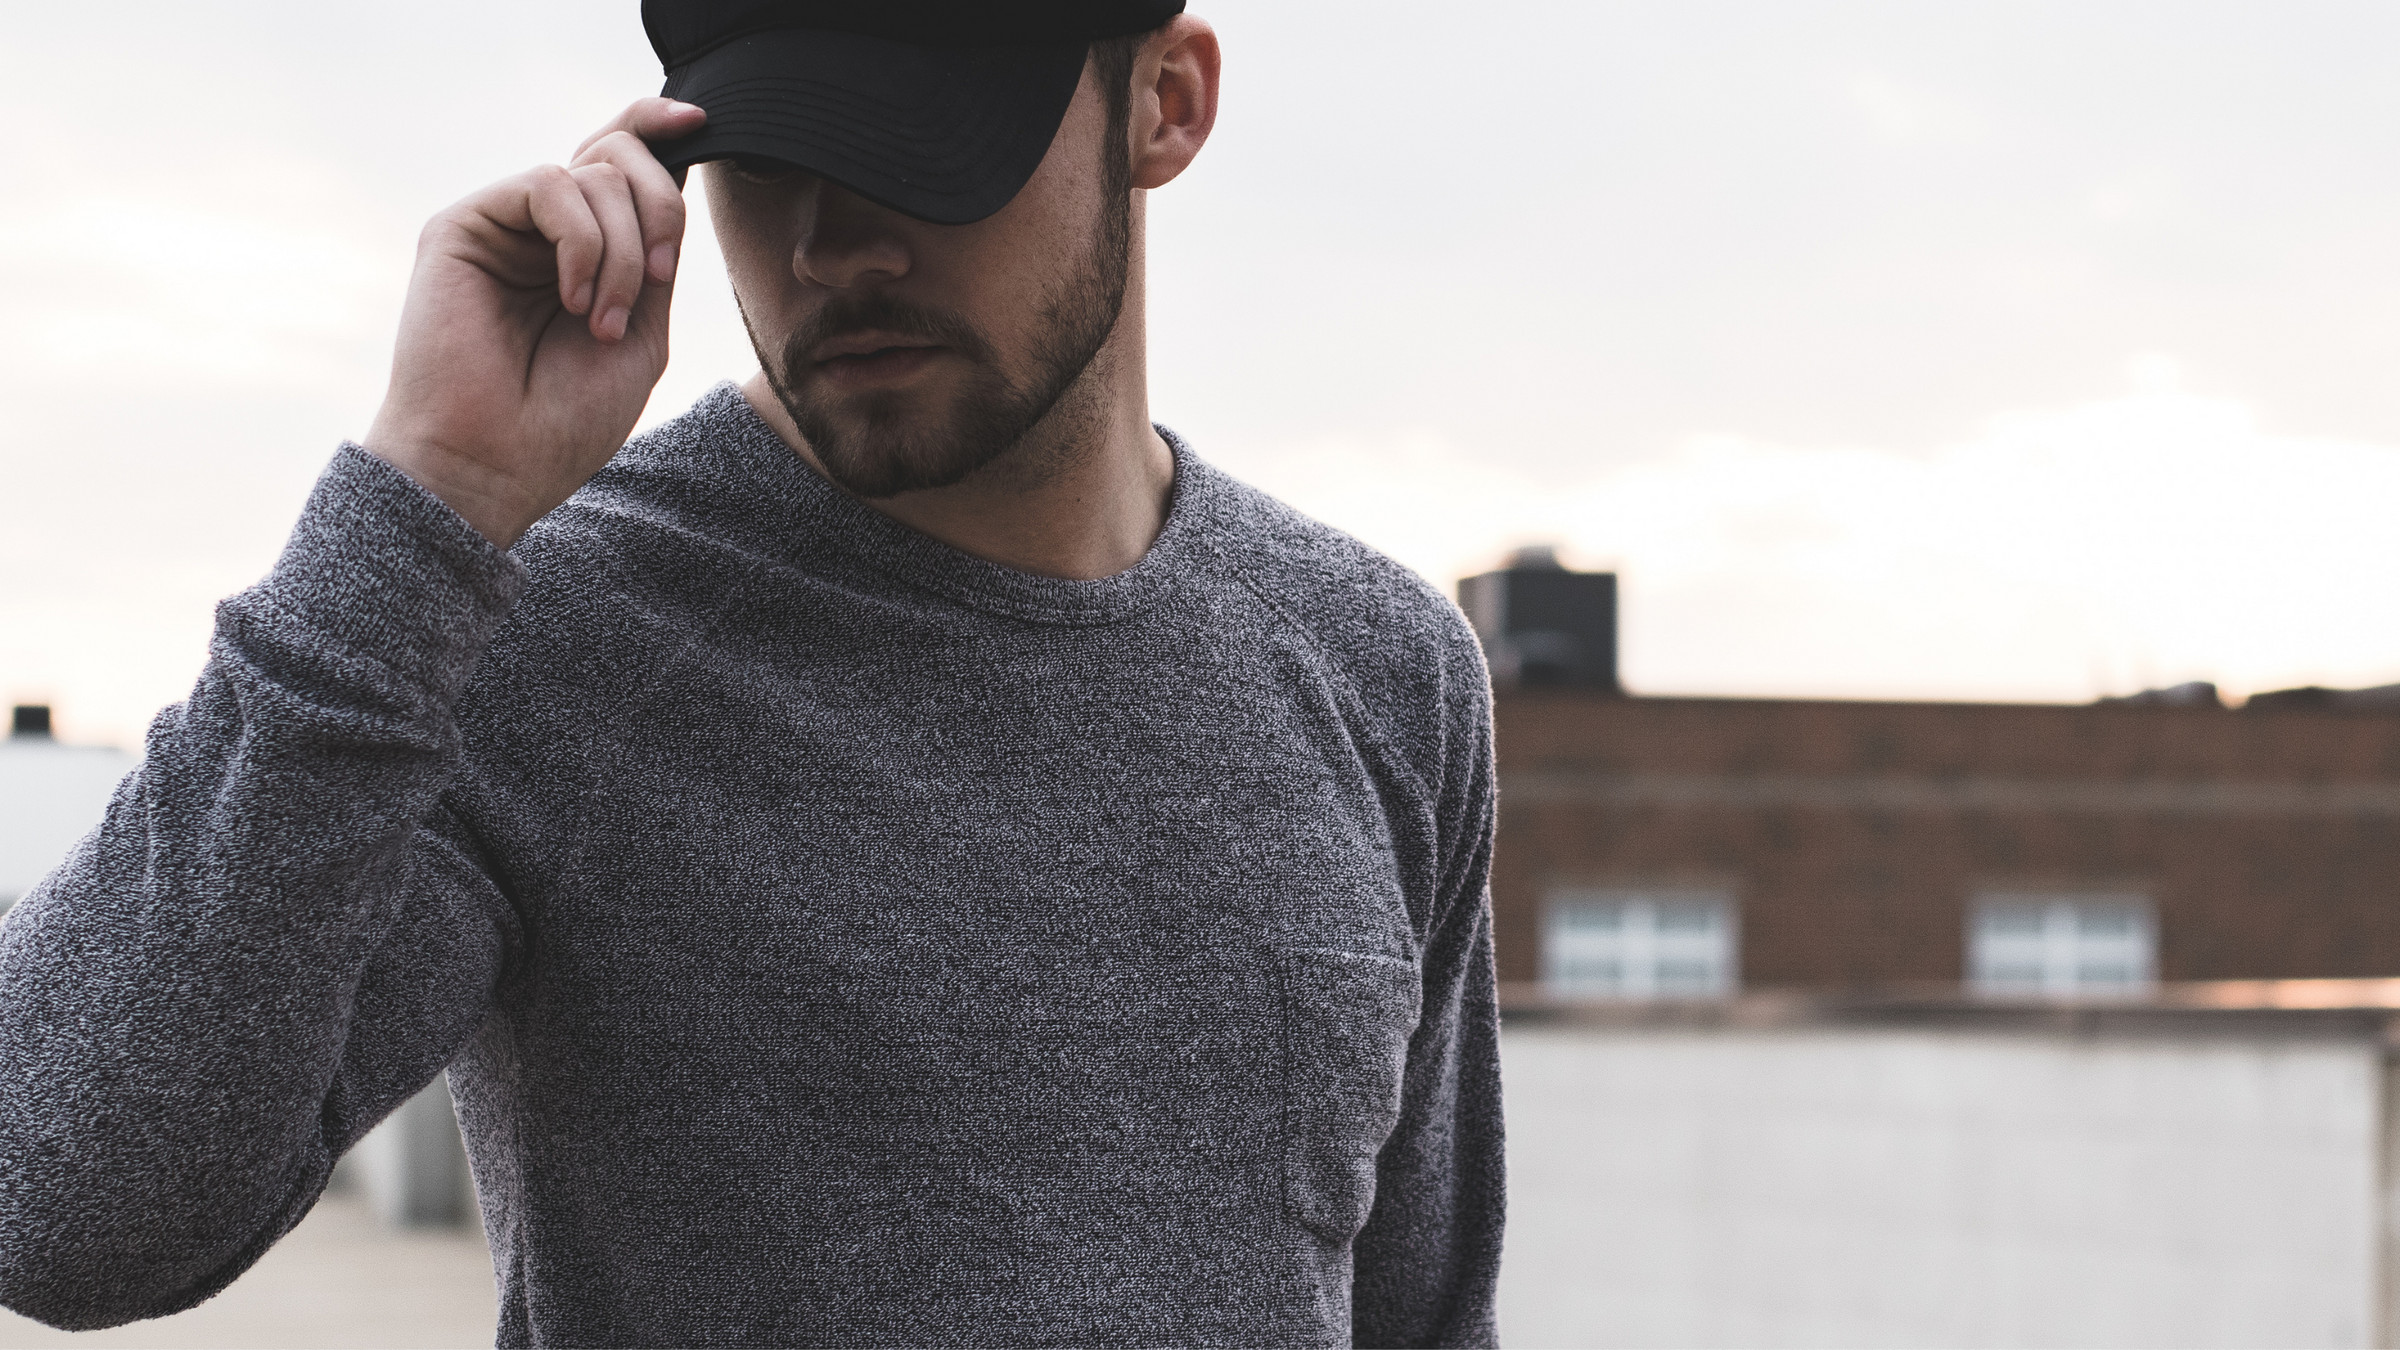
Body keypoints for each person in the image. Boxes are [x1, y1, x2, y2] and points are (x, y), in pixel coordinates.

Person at [0, 1, 1505, 1344]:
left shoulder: (1382, 668)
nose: (829, 245)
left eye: (928, 145)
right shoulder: (537, 626)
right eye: (773, 150)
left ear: (1164, 102)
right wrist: (429, 492)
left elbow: (1424, 1316)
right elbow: (59, 1199)